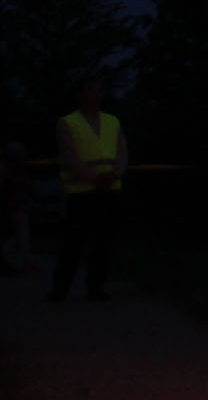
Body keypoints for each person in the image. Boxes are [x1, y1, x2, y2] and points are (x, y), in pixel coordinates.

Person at [50, 78, 127, 302]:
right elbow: (70, 156)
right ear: (81, 96)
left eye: (98, 92)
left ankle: (96, 287)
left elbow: (122, 151)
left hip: (109, 190)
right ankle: (60, 288)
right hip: (81, 192)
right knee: (73, 242)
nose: (96, 96)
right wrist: (95, 178)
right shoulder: (68, 123)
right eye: (91, 92)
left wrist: (116, 173)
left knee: (102, 242)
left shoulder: (112, 121)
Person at [1, 140, 35, 274]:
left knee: (21, 235)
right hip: (10, 208)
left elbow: (28, 188)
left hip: (19, 207)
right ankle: (26, 261)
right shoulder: (6, 170)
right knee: (20, 234)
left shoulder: (21, 169)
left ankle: (26, 261)